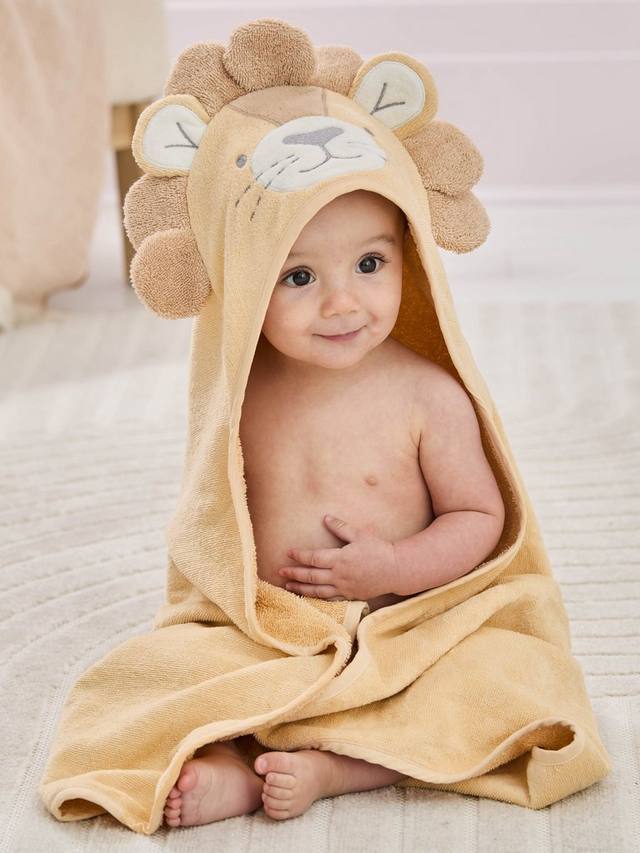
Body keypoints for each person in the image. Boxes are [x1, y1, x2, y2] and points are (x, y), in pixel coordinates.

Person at [162, 188, 505, 827]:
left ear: (410, 259)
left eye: (370, 264)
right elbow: (208, 511)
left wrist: (395, 566)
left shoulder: (428, 396)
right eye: (299, 277)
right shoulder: (237, 391)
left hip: (391, 637)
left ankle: (337, 770)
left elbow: (480, 518)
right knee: (174, 674)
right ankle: (228, 763)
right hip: (268, 633)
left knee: (481, 687)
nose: (342, 302)